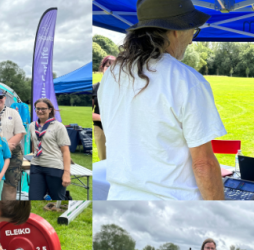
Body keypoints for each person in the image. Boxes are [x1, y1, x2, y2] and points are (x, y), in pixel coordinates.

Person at [97, 0, 226, 200]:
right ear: (176, 30)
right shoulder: (186, 80)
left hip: (120, 199)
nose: (192, 41)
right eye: (193, 31)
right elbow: (203, 164)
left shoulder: (111, 76)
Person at [29, 98, 71, 200]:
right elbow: (35, 144)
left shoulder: (59, 127)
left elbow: (65, 151)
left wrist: (66, 173)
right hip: (36, 166)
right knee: (34, 198)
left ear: (50, 110)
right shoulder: (32, 126)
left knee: (57, 198)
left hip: (54, 167)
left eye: (43, 109)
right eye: (37, 108)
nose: (40, 111)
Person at [0, 89, 26, 200]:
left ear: (5, 98)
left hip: (13, 152)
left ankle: (8, 210)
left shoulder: (13, 112)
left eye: (1, 97)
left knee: (10, 183)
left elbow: (20, 132)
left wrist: (6, 146)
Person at [92, 55, 115, 161]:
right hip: (100, 128)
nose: (111, 69)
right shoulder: (95, 88)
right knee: (104, 160)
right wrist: (103, 118)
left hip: (118, 128)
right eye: (107, 66)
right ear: (102, 68)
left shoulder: (124, 88)